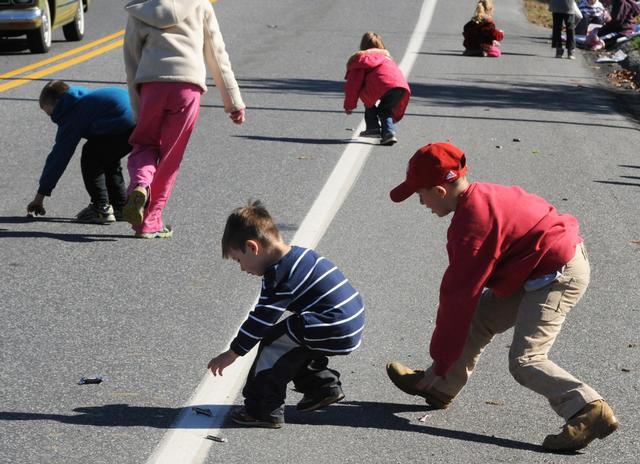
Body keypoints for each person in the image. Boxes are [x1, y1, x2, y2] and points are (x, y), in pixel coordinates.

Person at [385, 142, 619, 452]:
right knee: (479, 319)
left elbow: (457, 299)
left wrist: (441, 360)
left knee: (526, 360)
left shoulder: (472, 226)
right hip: (536, 267)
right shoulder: (481, 195)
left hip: (558, 273)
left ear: (440, 191)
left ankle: (588, 409)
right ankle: (441, 387)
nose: (420, 201)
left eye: (420, 194)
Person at [208, 201, 365, 428]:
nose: (242, 268)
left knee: (272, 345)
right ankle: (321, 387)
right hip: (348, 321)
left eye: (239, 260)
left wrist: (233, 353)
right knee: (292, 345)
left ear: (253, 247)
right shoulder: (300, 255)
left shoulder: (280, 274)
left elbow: (260, 321)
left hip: (330, 322)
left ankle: (261, 410)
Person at [123, 0, 245, 239]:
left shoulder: (139, 9)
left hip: (151, 86)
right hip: (187, 89)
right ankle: (151, 221)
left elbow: (131, 61)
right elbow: (217, 56)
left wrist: (138, 108)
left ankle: (139, 185)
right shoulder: (200, 5)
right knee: (170, 158)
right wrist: (233, 101)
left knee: (144, 143)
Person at [27, 80, 135, 223]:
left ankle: (100, 208)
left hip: (123, 123)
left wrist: (39, 197)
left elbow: (59, 158)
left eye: (50, 112)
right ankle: (120, 207)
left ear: (58, 103)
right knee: (107, 157)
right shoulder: (83, 99)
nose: (52, 118)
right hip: (139, 121)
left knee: (91, 155)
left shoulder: (72, 113)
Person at [343, 31, 410, 146]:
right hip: (400, 86)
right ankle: (381, 130)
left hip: (384, 85)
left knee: (370, 98)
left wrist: (349, 106)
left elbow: (353, 86)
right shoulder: (387, 58)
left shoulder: (360, 60)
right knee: (386, 109)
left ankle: (380, 130)